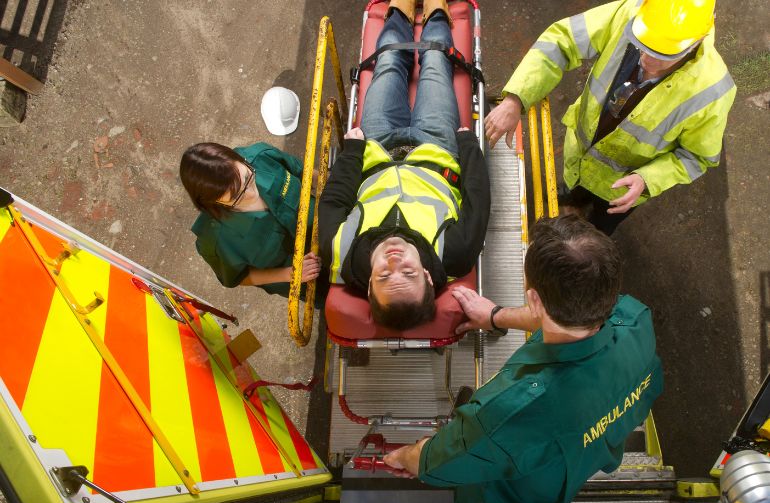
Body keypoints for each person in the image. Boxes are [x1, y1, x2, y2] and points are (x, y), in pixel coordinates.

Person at [383, 215, 663, 503]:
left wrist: (404, 457)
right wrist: (494, 316)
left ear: (534, 299)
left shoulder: (511, 412)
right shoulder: (635, 320)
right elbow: (570, 316)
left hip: (509, 502)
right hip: (574, 465)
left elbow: (436, 460)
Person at [485, 0, 736, 235]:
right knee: (574, 187)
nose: (646, 59)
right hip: (581, 156)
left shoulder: (712, 92)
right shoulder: (631, 12)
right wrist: (515, 99)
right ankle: (574, 195)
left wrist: (647, 180)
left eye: (663, 54)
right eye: (642, 43)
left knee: (596, 230)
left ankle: (593, 226)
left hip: (620, 189)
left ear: (699, 40)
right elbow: (563, 39)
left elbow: (696, 157)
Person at [318, 0, 490, 330]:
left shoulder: (341, 252)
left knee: (388, 62)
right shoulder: (455, 254)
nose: (394, 261)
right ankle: (438, 10)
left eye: (383, 275)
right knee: (436, 59)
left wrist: (353, 151)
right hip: (435, 145)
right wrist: (468, 145)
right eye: (408, 272)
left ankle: (399, 10)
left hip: (378, 146)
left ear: (369, 286)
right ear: (427, 274)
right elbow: (478, 197)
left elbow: (334, 199)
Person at [179, 142, 322, 299]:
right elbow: (239, 277)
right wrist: (290, 274)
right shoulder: (215, 242)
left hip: (326, 225)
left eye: (247, 178)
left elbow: (303, 172)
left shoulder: (261, 157)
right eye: (236, 196)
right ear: (212, 202)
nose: (251, 193)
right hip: (306, 278)